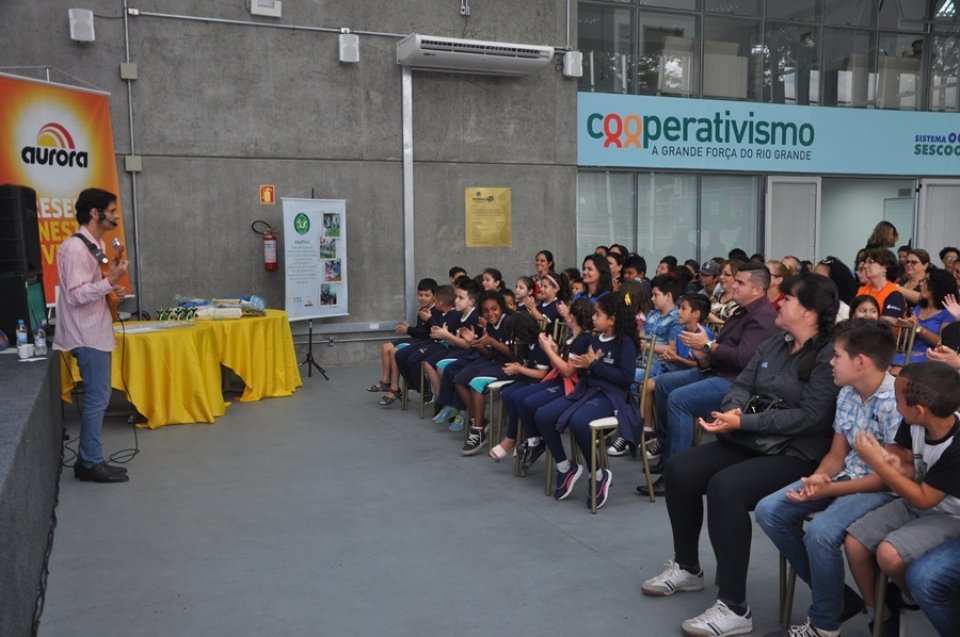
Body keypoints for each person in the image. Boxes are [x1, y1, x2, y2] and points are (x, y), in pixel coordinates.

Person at [642, 272, 840, 637]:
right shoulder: (775, 343)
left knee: (725, 488)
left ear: (810, 311)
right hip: (752, 440)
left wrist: (744, 422)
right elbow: (741, 385)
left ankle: (734, 606)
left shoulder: (829, 356)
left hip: (796, 453)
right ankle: (687, 568)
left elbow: (810, 417)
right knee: (680, 469)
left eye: (790, 298)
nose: (780, 302)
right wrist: (733, 412)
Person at [756, 320, 901, 637]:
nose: (831, 362)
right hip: (846, 477)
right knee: (770, 510)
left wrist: (831, 486)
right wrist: (819, 479)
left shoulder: (895, 403)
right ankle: (836, 598)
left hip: (881, 490)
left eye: (836, 356)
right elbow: (837, 454)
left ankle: (824, 624)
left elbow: (889, 480)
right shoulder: (847, 393)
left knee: (821, 532)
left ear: (860, 361)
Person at [642, 262, 779, 495]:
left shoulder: (762, 317)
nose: (733, 286)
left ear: (757, 289)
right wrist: (703, 354)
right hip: (717, 370)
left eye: (740, 282)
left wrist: (707, 345)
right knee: (664, 385)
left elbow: (742, 359)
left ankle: (677, 472)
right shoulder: (741, 311)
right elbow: (720, 352)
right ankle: (668, 454)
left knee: (679, 399)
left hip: (737, 383)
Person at [844, 362, 960, 630]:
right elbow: (905, 455)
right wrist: (889, 457)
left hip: (950, 513)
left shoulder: (955, 447)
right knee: (855, 543)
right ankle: (879, 613)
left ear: (919, 411)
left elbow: (924, 498)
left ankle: (912, 595)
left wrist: (880, 463)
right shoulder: (915, 422)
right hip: (918, 499)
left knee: (889, 555)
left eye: (897, 400)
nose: (895, 405)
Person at [533, 293, 640, 508]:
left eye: (598, 314)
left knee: (579, 422)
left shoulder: (625, 343)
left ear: (612, 319)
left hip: (611, 396)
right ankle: (565, 466)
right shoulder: (593, 339)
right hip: (587, 390)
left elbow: (625, 379)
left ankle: (599, 474)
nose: (593, 318)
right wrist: (571, 359)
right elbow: (579, 369)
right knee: (543, 415)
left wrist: (594, 366)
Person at [54, 188, 129, 483]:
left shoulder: (94, 244)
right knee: (98, 398)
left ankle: (90, 458)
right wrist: (109, 280)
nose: (115, 217)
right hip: (85, 334)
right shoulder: (74, 248)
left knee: (100, 396)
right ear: (95, 213)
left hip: (96, 330)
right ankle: (89, 462)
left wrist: (111, 287)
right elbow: (74, 296)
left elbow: (91, 287)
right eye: (111, 211)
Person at [369, 277, 439, 405]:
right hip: (416, 339)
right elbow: (419, 330)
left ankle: (395, 388)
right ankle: (386, 381)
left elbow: (427, 334)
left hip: (424, 342)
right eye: (420, 295)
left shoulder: (435, 311)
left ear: (434, 296)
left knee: (394, 351)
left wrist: (408, 330)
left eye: (426, 295)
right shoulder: (421, 310)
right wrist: (408, 329)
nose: (422, 298)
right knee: (386, 347)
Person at [893, 268, 957, 367]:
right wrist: (907, 327)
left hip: (930, 358)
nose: (920, 284)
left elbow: (942, 343)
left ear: (937, 285)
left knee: (896, 371)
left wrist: (918, 328)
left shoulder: (949, 313)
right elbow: (906, 340)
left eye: (925, 281)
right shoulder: (918, 308)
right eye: (921, 281)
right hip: (909, 353)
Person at [855, 248, 906, 322]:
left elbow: (887, 323)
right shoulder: (862, 290)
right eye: (865, 262)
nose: (865, 266)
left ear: (885, 268)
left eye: (870, 262)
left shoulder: (894, 293)